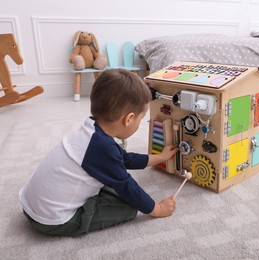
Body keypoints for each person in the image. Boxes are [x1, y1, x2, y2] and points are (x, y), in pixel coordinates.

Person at [19, 69, 178, 236]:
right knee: (129, 206)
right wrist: (157, 209)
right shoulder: (103, 148)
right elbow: (126, 185)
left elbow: (124, 159)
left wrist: (160, 157)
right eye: (140, 118)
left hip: (31, 206)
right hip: (53, 221)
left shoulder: (92, 131)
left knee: (112, 180)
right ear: (129, 118)